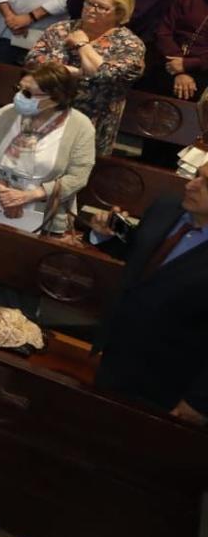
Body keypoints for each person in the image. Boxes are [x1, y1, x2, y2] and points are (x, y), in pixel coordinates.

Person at [86, 164, 208, 421]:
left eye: (205, 183)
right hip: (115, 354)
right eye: (196, 175)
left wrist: (199, 402)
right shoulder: (167, 206)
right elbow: (138, 258)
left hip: (167, 382)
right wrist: (106, 236)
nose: (190, 185)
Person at [0, 62, 96, 235]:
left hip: (41, 212)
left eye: (28, 94)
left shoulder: (80, 126)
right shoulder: (7, 112)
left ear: (55, 98)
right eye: (19, 89)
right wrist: (4, 192)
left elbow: (78, 176)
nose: (19, 96)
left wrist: (27, 196)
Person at [25, 0, 145, 156]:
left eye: (101, 7)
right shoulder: (61, 29)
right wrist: (76, 72)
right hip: (46, 111)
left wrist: (82, 44)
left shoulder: (129, 44)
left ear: (119, 13)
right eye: (89, 3)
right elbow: (33, 60)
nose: (92, 9)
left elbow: (105, 73)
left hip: (93, 120)